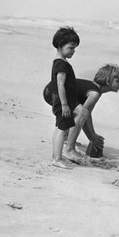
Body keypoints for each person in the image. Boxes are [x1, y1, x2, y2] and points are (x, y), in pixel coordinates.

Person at [44, 64, 119, 160]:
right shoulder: (94, 94)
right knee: (81, 113)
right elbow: (84, 116)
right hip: (53, 93)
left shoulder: (94, 89)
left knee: (79, 112)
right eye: (117, 81)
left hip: (51, 90)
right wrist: (91, 136)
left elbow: (86, 115)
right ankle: (70, 149)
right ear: (108, 81)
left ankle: (66, 137)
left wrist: (92, 134)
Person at [50, 27, 88, 169]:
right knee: (61, 130)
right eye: (71, 48)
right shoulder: (61, 64)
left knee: (59, 128)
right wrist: (65, 104)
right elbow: (60, 85)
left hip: (62, 103)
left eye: (74, 48)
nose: (73, 51)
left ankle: (55, 156)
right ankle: (58, 158)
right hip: (62, 103)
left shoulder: (60, 62)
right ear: (60, 45)